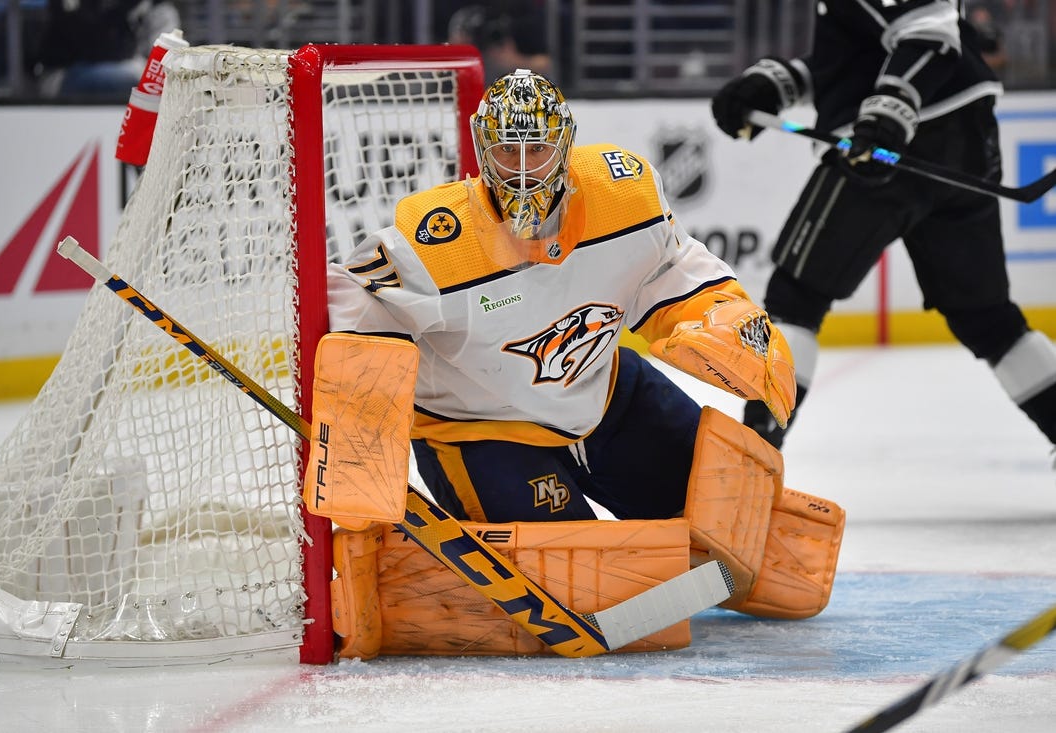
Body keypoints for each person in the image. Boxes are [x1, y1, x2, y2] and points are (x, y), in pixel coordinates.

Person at [326, 68, 796, 524]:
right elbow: (357, 304)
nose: (525, 170)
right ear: (482, 149)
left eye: (540, 150)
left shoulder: (624, 195)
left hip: (602, 391)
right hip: (478, 428)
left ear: (566, 145)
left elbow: (669, 268)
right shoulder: (433, 241)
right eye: (509, 150)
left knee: (729, 510)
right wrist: (358, 434)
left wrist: (723, 314)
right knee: (577, 581)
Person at [710, 0, 1056, 454]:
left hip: (900, 147)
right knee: (987, 318)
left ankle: (751, 461)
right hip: (965, 137)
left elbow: (929, 32)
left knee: (796, 299)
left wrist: (888, 116)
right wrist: (777, 84)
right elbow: (863, 55)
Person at [31, 0, 179, 100]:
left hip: (125, 67)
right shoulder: (80, 6)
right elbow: (94, 48)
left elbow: (166, 63)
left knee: (153, 79)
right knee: (135, 77)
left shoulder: (159, 8)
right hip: (63, 74)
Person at [446, 4, 554, 86]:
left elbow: (547, 64)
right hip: (462, 90)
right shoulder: (459, 15)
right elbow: (444, 59)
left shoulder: (521, 14)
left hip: (508, 88)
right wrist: (459, 52)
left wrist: (515, 62)